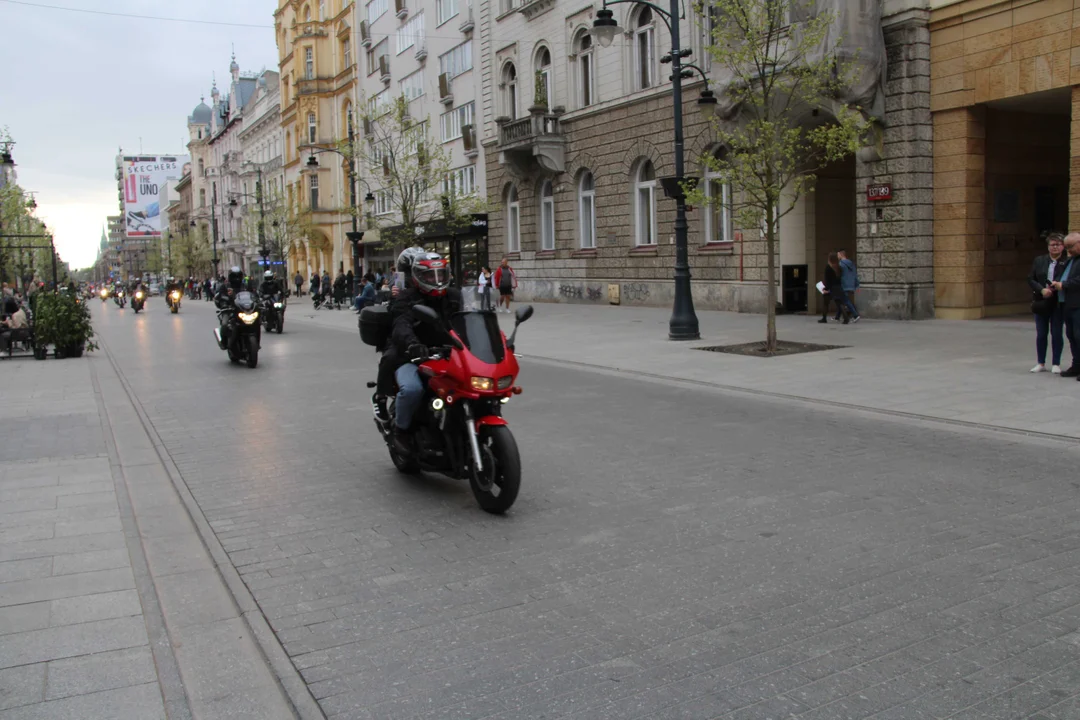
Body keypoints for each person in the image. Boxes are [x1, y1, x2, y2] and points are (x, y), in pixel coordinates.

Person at [381, 247, 459, 455]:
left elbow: (468, 318)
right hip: (412, 354)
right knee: (412, 389)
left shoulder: (453, 296)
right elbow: (400, 324)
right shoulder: (404, 293)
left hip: (446, 353)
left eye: (440, 274)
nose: (435, 279)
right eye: (429, 275)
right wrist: (412, 344)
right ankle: (401, 431)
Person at [1029, 232, 1068, 374]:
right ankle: (1041, 362)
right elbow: (1031, 278)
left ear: (1063, 246)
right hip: (1042, 300)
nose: (1055, 247)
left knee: (1057, 332)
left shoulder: (1067, 262)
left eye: (1058, 244)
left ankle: (1056, 363)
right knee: (1041, 333)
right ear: (1048, 246)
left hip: (1058, 301)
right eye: (1052, 245)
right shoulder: (1039, 260)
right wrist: (1041, 290)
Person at [1050, 233, 1080, 378]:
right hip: (1067, 304)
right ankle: (1076, 365)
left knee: (1079, 336)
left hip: (1078, 304)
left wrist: (1064, 284)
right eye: (1066, 247)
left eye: (1071, 247)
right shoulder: (1070, 260)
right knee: (1072, 336)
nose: (1069, 250)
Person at [821, 253, 857, 324]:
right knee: (839, 303)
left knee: (826, 303)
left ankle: (824, 318)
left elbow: (828, 280)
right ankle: (846, 318)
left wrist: (825, 289)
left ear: (829, 259)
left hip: (832, 288)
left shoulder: (828, 268)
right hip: (838, 287)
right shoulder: (839, 267)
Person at [837, 249, 861, 322]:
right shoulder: (851, 263)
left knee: (846, 301)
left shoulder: (840, 264)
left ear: (841, 255)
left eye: (838, 255)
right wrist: (857, 285)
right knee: (843, 300)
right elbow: (855, 275)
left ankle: (855, 315)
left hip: (844, 284)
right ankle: (837, 316)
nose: (837, 256)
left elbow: (839, 275)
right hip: (851, 285)